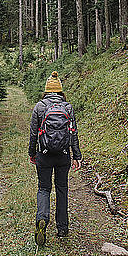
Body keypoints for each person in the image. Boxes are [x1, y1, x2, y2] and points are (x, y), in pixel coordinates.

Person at [28, 71, 82, 246]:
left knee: (44, 188)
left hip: (44, 155)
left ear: (46, 90)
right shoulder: (67, 107)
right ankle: (62, 228)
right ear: (60, 91)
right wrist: (77, 156)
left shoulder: (39, 107)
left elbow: (33, 133)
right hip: (63, 156)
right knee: (62, 189)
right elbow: (73, 133)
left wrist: (32, 153)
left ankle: (42, 218)